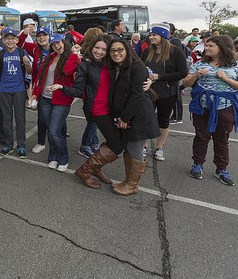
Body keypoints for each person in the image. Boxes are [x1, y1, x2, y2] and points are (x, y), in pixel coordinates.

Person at [49, 35, 118, 188]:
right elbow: (79, 89)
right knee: (115, 142)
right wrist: (62, 87)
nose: (99, 52)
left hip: (112, 108)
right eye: (96, 48)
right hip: (96, 108)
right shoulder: (85, 65)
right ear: (91, 47)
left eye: (103, 49)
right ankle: (86, 170)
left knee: (112, 141)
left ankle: (94, 168)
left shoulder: (113, 64)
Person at [183, 35, 238, 186]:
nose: (206, 48)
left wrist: (227, 79)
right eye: (206, 45)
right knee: (201, 137)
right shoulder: (199, 64)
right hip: (202, 107)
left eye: (210, 46)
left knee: (222, 139)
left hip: (225, 107)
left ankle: (221, 169)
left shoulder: (237, 65)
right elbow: (186, 83)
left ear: (223, 47)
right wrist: (195, 76)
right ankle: (197, 165)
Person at [98, 39, 159, 195]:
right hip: (127, 115)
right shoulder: (117, 67)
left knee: (135, 149)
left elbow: (137, 95)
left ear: (127, 50)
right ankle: (128, 181)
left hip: (138, 115)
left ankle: (132, 185)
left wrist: (125, 117)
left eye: (120, 50)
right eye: (112, 51)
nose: (116, 53)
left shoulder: (137, 67)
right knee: (129, 147)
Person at [141, 23, 188, 161]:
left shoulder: (176, 51)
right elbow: (140, 67)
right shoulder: (147, 51)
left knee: (163, 120)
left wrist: (159, 77)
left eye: (154, 35)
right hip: (148, 91)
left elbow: (183, 72)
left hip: (168, 92)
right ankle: (144, 145)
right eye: (150, 35)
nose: (151, 37)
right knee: (146, 118)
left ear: (163, 36)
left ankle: (159, 148)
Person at [34, 34, 79, 171]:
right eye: (53, 45)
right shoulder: (50, 57)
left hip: (61, 99)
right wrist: (35, 94)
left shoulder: (72, 57)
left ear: (64, 42)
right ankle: (53, 156)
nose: (56, 46)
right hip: (45, 98)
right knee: (53, 130)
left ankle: (63, 158)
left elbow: (68, 70)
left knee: (54, 131)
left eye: (58, 43)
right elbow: (41, 76)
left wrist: (73, 54)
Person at [0, 29, 32, 158]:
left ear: (17, 40)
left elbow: (29, 71)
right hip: (4, 90)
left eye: (13, 38)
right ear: (4, 40)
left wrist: (27, 63)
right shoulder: (1, 54)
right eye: (7, 39)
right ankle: (8, 144)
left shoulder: (21, 52)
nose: (10, 41)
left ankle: (21, 146)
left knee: (20, 119)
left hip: (19, 90)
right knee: (6, 119)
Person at [19, 26, 53, 153]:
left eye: (44, 35)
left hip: (56, 89)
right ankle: (41, 142)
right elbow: (20, 44)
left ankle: (58, 139)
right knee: (42, 117)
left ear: (49, 36)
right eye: (39, 36)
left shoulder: (57, 48)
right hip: (41, 89)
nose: (42, 38)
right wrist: (24, 34)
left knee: (57, 117)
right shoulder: (35, 48)